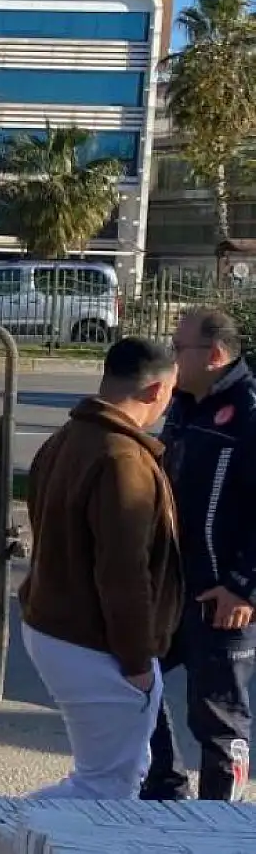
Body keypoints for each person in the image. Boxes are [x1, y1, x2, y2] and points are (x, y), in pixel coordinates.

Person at [19, 336, 181, 800]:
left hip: (53, 624)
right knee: (106, 788)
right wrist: (136, 660)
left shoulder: (65, 438)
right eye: (170, 393)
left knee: (104, 780)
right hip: (93, 641)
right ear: (154, 391)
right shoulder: (124, 458)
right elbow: (123, 571)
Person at [142, 307, 256, 802]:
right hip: (173, 586)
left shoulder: (248, 411)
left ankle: (219, 825)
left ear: (213, 355)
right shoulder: (187, 404)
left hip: (223, 594)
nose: (171, 358)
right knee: (132, 681)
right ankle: (165, 789)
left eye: (178, 348)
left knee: (218, 718)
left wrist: (243, 585)